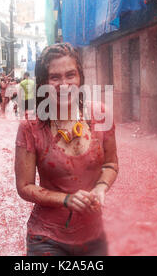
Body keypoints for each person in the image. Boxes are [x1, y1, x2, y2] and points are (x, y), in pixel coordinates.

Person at [14, 43, 118, 256]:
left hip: (94, 237)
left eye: (70, 75)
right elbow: (24, 186)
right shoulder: (31, 126)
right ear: (43, 82)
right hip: (46, 238)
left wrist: (100, 188)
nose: (64, 84)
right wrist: (66, 199)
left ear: (80, 77)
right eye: (55, 78)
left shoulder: (100, 116)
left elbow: (111, 163)